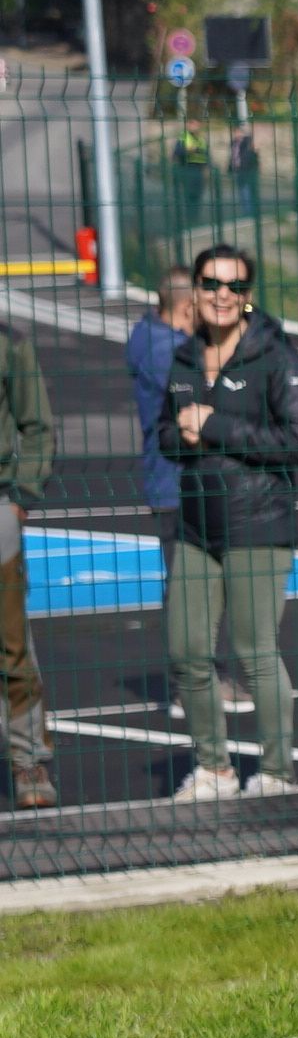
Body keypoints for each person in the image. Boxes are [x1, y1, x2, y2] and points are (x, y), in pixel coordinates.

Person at [160, 246, 298, 802]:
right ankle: (214, 769)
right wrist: (183, 433)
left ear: (247, 297)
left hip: (258, 523)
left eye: (234, 286)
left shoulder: (275, 358)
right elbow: (166, 435)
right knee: (186, 651)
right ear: (195, 292)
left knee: (254, 653)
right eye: (210, 283)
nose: (221, 295)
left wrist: (216, 426)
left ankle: (277, 772)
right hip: (196, 527)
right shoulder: (182, 359)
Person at [1, 313, 53, 808]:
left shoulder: (10, 344)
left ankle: (28, 760)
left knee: (11, 644)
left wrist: (22, 493)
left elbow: (37, 426)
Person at [129, 270, 195, 524]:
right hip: (177, 483)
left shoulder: (145, 332)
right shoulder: (170, 352)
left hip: (165, 481)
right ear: (188, 307)